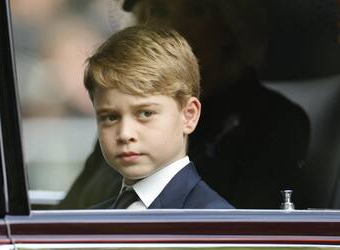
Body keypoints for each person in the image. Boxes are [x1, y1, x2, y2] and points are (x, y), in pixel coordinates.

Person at [59, 0, 310, 209]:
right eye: (159, 10)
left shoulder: (272, 122)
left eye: (196, 10)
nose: (175, 26)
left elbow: (249, 233)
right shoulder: (123, 119)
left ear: (231, 25)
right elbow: (67, 218)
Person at [82, 25, 233, 209]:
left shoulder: (213, 223)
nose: (124, 134)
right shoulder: (94, 217)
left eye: (145, 113)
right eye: (111, 117)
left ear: (188, 116)